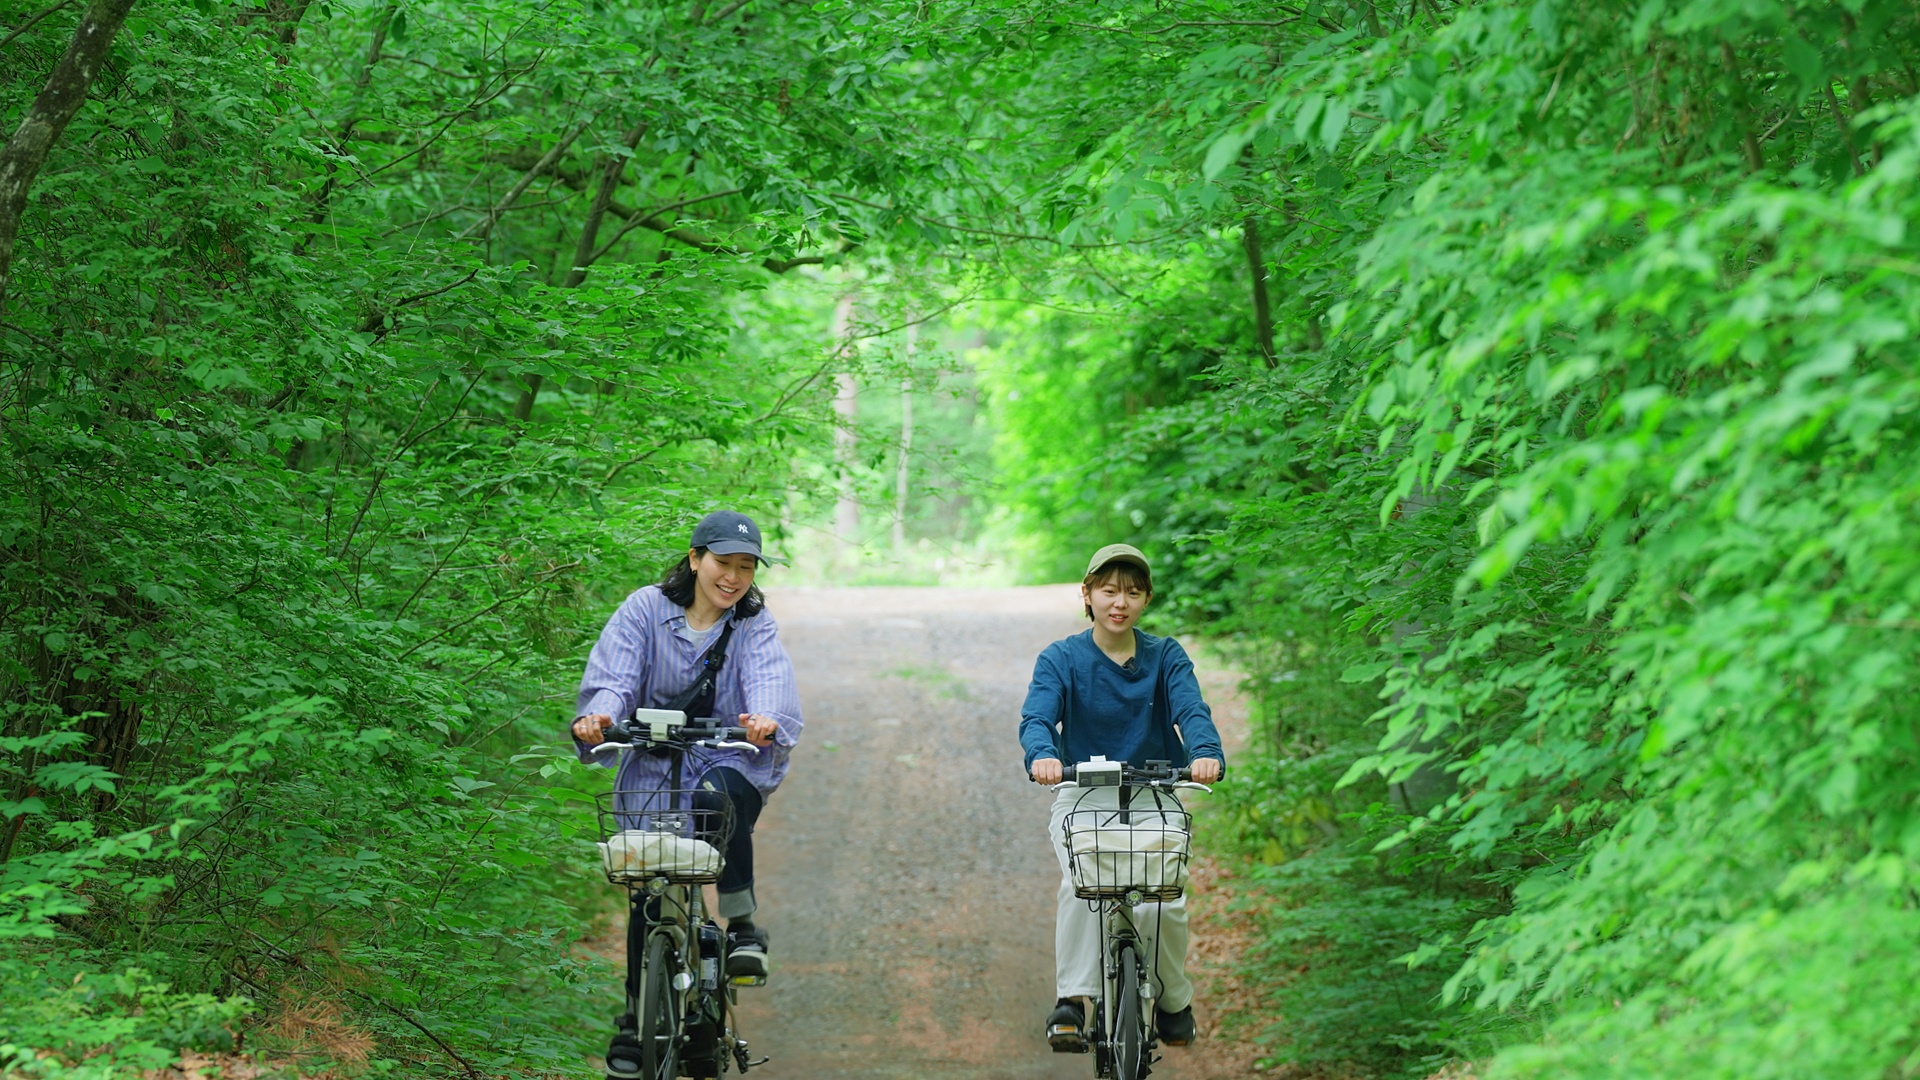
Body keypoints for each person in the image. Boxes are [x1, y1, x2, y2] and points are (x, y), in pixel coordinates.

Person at [572, 509, 802, 984]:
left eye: (746, 566)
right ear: (696, 559)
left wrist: (765, 718)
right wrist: (601, 716)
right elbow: (615, 675)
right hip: (652, 762)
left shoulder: (752, 622)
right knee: (650, 898)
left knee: (717, 798)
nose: (734, 577)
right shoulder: (644, 609)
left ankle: (741, 926)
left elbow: (768, 676)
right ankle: (637, 1022)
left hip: (725, 753)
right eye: (724, 562)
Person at [1020, 542, 1226, 1052]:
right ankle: (1073, 1000)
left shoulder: (1166, 656)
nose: (1120, 602)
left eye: (1133, 593)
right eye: (1109, 590)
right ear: (1086, 594)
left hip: (1156, 792)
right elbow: (1038, 718)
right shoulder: (1062, 658)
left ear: (1147, 600)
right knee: (1081, 887)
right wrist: (1043, 755)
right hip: (1084, 796)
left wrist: (1205, 752)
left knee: (1164, 899)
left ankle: (1173, 999)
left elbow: (1191, 710)